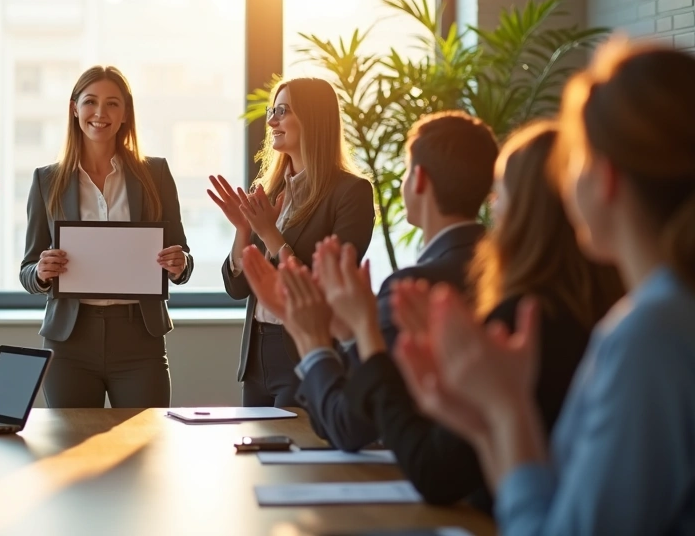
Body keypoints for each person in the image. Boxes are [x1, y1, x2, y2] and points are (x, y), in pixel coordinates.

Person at [396, 40, 695, 535]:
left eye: (572, 161)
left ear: (606, 178)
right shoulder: (653, 315)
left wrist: (507, 410)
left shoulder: (649, 336)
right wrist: (485, 420)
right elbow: (550, 505)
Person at [248, 121, 622, 513]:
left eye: (502, 193)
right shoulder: (593, 304)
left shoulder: (509, 308)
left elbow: (372, 436)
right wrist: (354, 335)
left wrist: (323, 335)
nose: (493, 204)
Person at [275, 111, 498, 449]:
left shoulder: (409, 289)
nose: (402, 182)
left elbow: (347, 425)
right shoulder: (506, 272)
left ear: (419, 180)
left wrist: (320, 339)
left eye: (407, 171)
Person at [19, 65, 192, 407]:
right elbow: (27, 269)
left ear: (126, 113)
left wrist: (179, 264)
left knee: (143, 450)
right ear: (74, 108)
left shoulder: (154, 174)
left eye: (113, 104)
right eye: (90, 102)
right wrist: (40, 272)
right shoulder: (46, 180)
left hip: (139, 339)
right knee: (72, 450)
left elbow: (182, 257)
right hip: (70, 342)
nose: (100, 113)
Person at [208, 77, 374, 407]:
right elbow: (238, 289)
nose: (271, 121)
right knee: (254, 457)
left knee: (297, 457)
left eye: (282, 111)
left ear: (313, 118)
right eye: (272, 111)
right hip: (257, 358)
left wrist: (270, 234)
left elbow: (325, 288)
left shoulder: (350, 193)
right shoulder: (270, 194)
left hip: (305, 357)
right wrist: (243, 230)